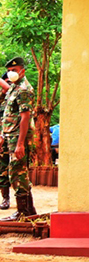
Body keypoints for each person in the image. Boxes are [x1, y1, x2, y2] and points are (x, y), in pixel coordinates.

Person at [0, 57, 36, 221]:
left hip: (18, 138)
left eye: (14, 70)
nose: (11, 73)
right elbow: (8, 114)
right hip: (10, 135)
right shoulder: (14, 87)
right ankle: (29, 209)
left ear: (22, 70)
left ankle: (23, 211)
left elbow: (25, 118)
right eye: (10, 71)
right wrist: (3, 134)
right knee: (19, 172)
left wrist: (20, 144)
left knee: (17, 173)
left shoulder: (23, 89)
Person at [0, 73, 9, 210]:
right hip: (2, 139)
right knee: (2, 170)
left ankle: (25, 203)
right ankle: (5, 199)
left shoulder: (18, 95)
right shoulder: (1, 99)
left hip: (16, 137)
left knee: (19, 171)